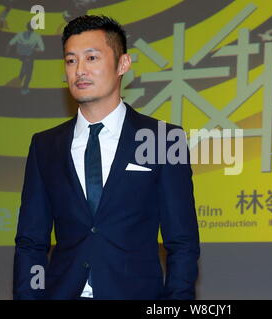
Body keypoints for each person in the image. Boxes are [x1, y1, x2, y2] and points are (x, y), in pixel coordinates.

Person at [13, 15, 200, 300]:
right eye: (71, 60)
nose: (80, 70)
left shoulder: (163, 139)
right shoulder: (45, 146)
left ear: (123, 64)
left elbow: (182, 242)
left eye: (91, 58)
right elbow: (31, 242)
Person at [6, 21, 45, 95]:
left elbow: (10, 44)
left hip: (19, 54)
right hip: (28, 55)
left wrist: (7, 53)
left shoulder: (20, 34)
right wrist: (33, 49)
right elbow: (42, 49)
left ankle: (21, 75)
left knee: (24, 64)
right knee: (29, 73)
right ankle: (25, 87)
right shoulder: (36, 36)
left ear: (26, 27)